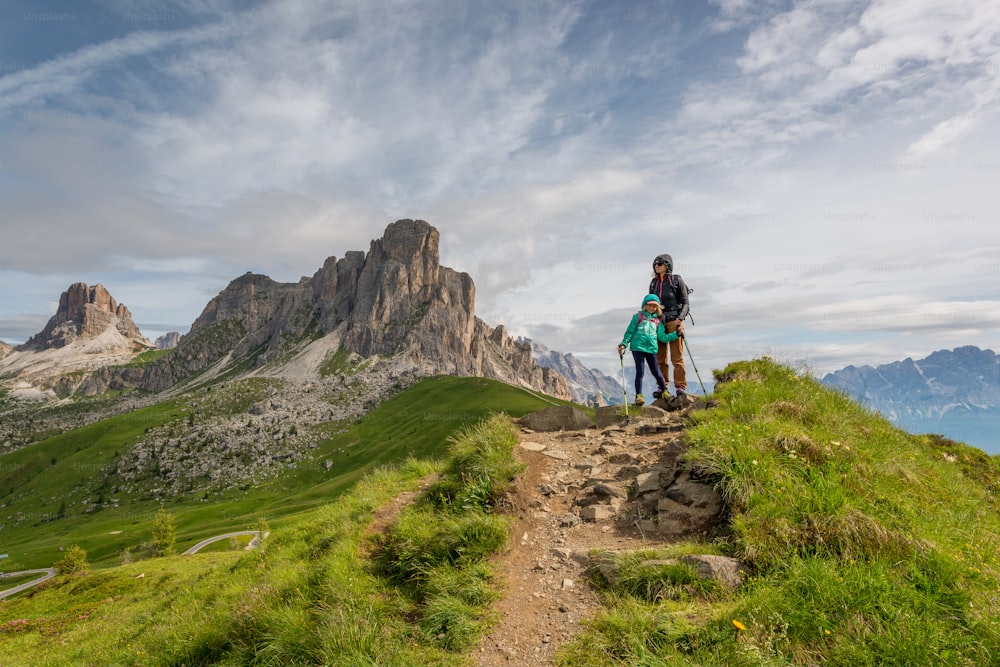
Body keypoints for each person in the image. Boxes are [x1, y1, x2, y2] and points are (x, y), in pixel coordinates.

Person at [617, 294, 681, 406]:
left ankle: (664, 391)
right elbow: (630, 332)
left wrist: (676, 334)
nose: (652, 308)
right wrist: (624, 344)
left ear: (657, 308)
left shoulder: (658, 321)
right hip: (638, 347)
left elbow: (663, 337)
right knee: (640, 371)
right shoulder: (637, 316)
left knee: (656, 371)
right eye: (649, 305)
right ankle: (639, 396)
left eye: (654, 306)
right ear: (645, 305)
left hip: (651, 348)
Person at [648, 253, 689, 397]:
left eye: (659, 264)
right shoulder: (653, 283)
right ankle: (662, 386)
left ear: (667, 265)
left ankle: (680, 387)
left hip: (673, 321)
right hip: (658, 322)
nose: (656, 266)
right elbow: (650, 303)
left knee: (676, 357)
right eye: (655, 264)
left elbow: (685, 302)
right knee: (660, 358)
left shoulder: (676, 280)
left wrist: (679, 319)